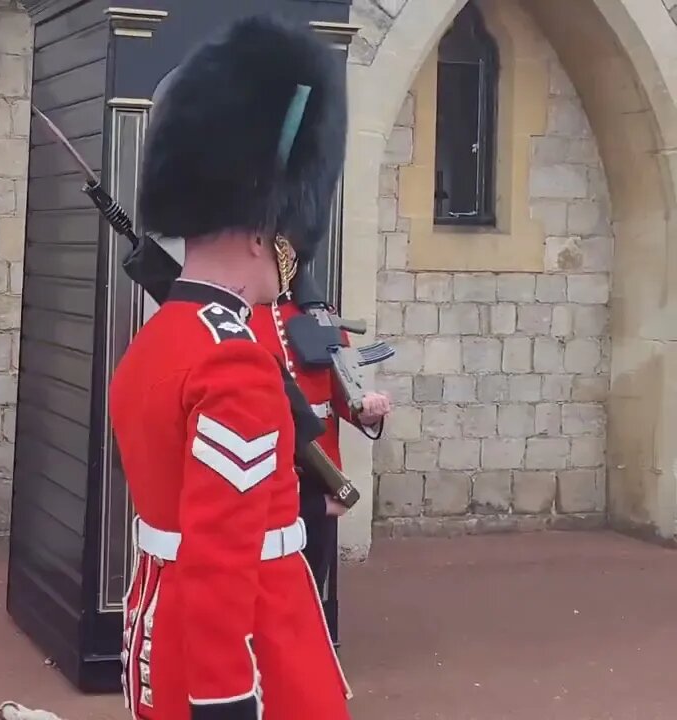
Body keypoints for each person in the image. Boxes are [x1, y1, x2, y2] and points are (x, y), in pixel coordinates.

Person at [109, 14, 352, 720]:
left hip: (161, 628)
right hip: (247, 656)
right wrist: (226, 698)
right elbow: (223, 559)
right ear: (262, 228)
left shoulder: (156, 341)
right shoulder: (235, 364)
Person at [248, 290, 392, 650]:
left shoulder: (321, 316)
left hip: (321, 468)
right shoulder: (243, 314)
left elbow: (341, 398)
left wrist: (366, 411)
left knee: (312, 578)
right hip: (270, 461)